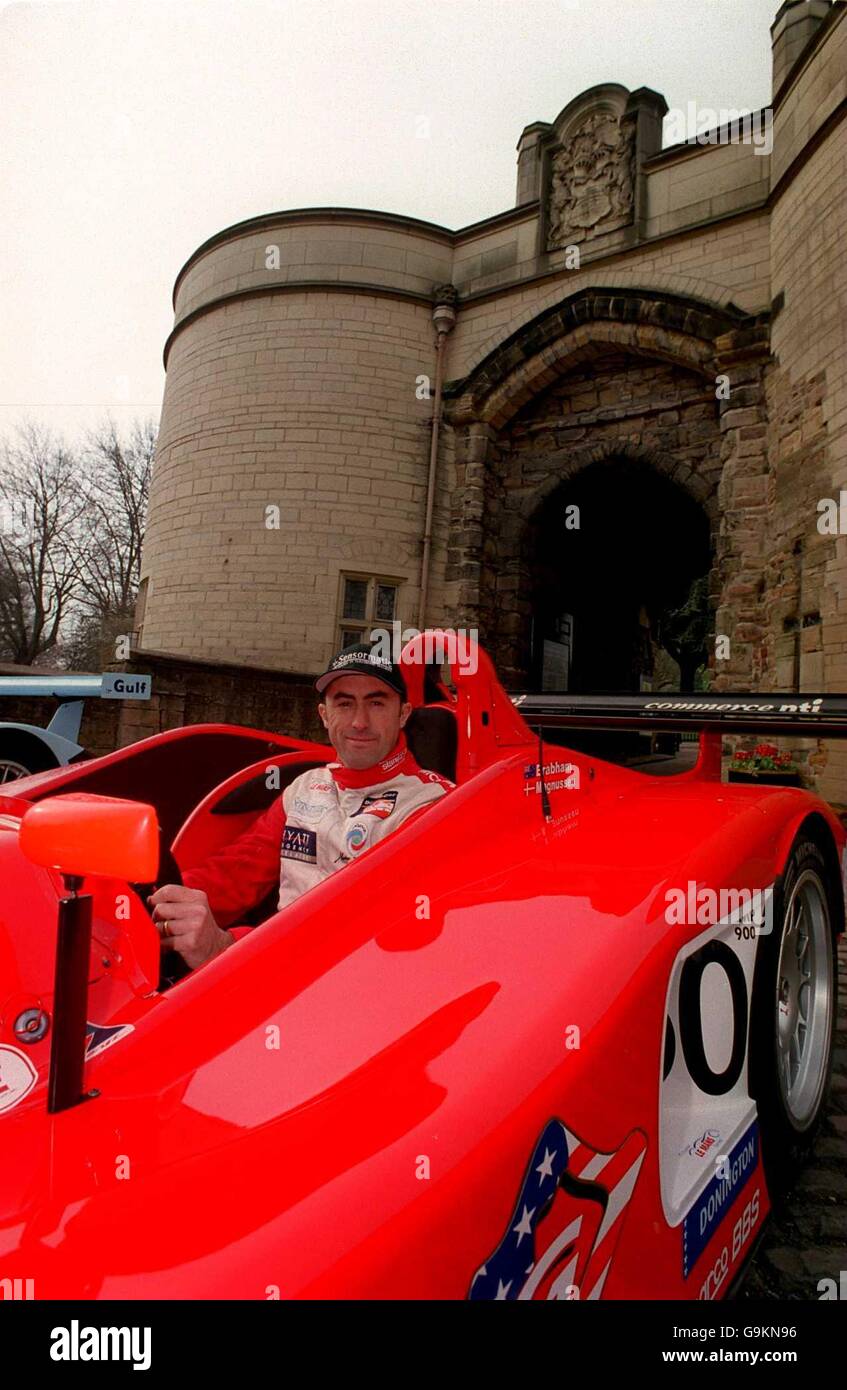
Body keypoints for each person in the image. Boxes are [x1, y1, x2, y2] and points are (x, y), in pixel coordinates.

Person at [149, 641, 454, 970]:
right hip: (278, 963)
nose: (359, 722)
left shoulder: (431, 806)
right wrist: (157, 901)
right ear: (325, 715)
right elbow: (234, 874)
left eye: (376, 703)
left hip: (344, 980)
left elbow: (364, 937)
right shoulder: (305, 787)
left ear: (403, 714)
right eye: (344, 704)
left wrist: (226, 947)